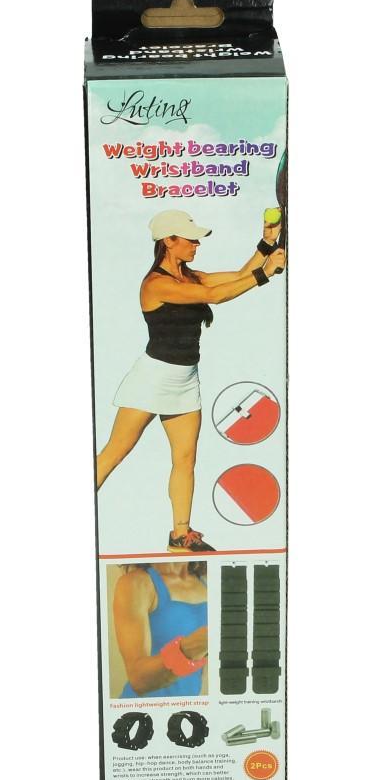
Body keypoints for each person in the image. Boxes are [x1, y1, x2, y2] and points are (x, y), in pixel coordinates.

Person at [95, 209, 287, 552]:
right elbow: (216, 296)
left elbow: (238, 276)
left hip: (185, 381)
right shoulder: (156, 284)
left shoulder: (191, 277)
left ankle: (180, 536)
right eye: (191, 239)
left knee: (185, 460)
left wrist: (266, 243)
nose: (197, 244)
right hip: (151, 380)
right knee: (113, 454)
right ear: (169, 241)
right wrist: (265, 273)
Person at [112, 562, 207, 698]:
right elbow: (138, 680)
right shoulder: (136, 583)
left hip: (188, 707)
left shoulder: (205, 583)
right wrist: (190, 648)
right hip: (143, 707)